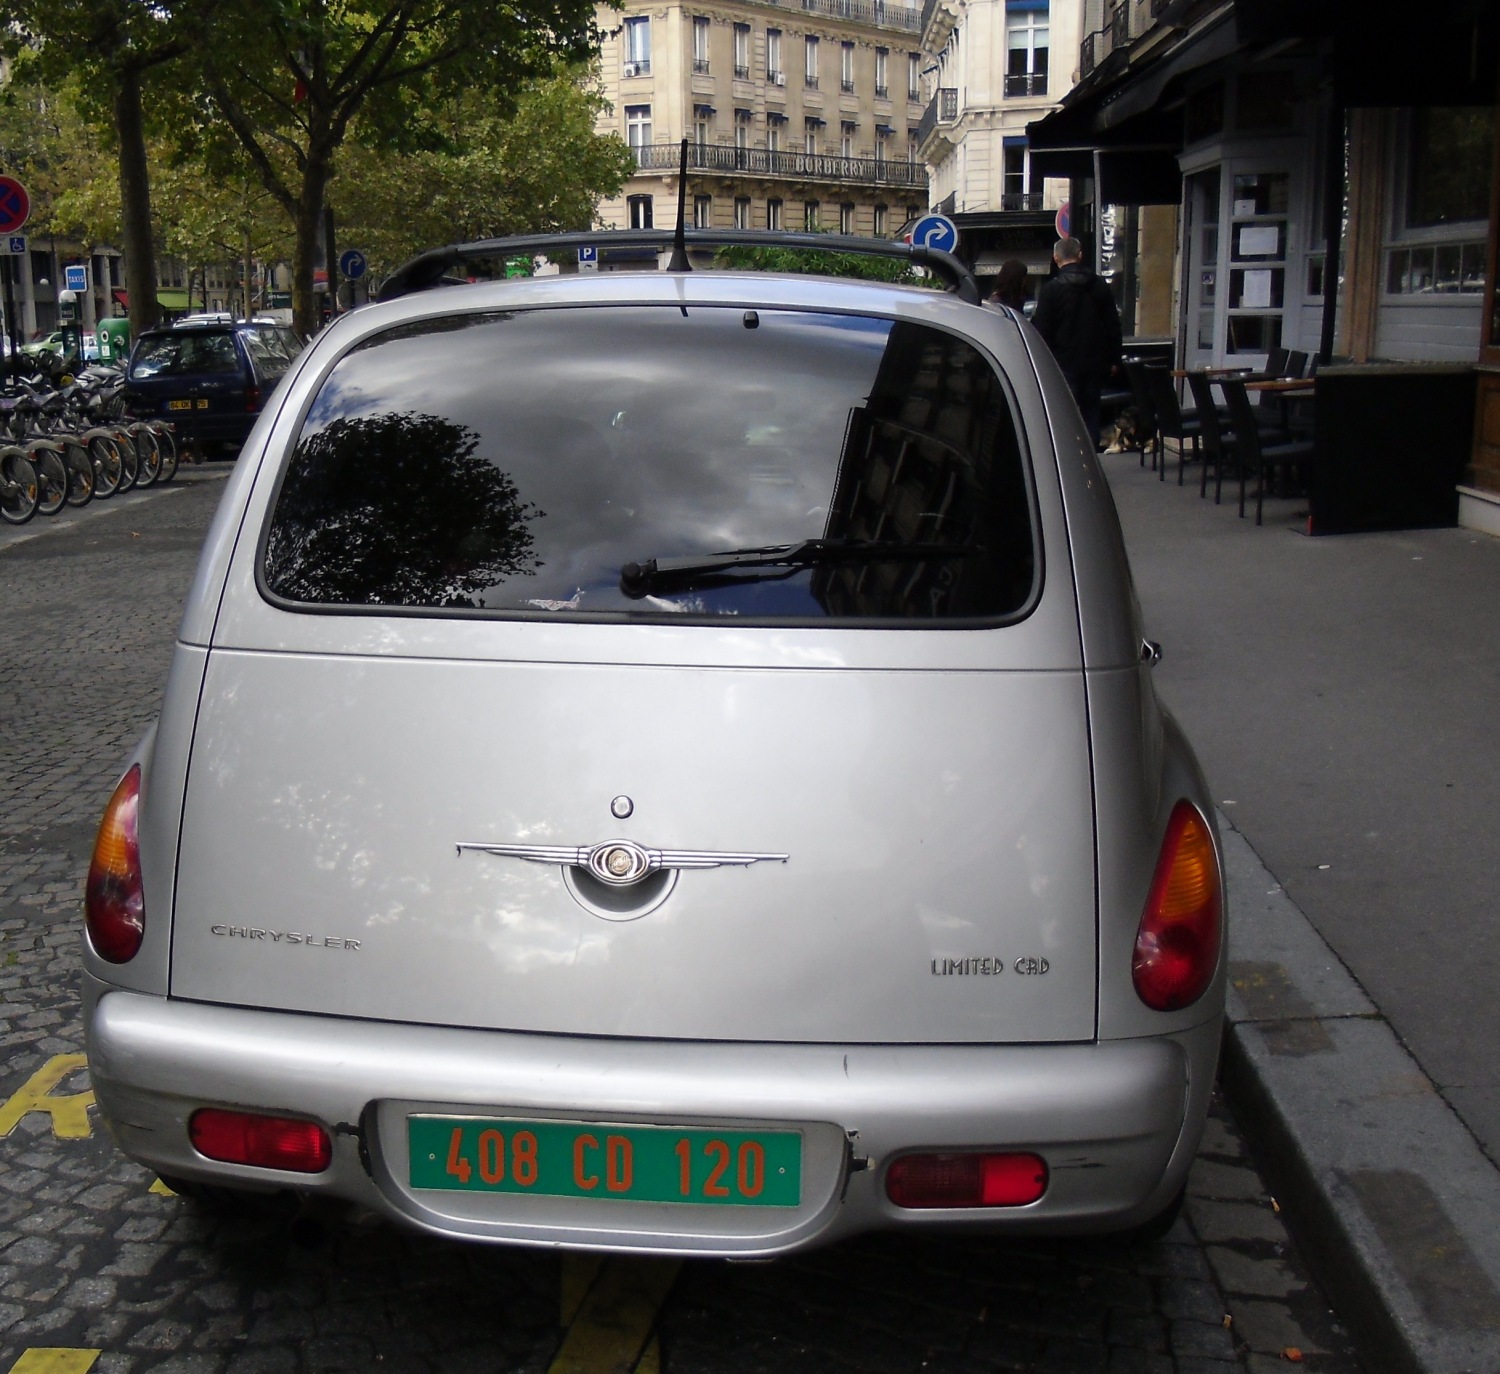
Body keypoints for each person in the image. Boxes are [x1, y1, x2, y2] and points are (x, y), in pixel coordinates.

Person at [1031, 236, 1123, 450]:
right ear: (1080, 255)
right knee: (1091, 411)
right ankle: (1090, 454)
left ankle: (1069, 454)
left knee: (1065, 413)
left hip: (1062, 363)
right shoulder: (1099, 286)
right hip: (1094, 361)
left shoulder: (1051, 290)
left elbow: (1042, 330)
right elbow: (1112, 324)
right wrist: (1114, 358)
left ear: (1056, 258)